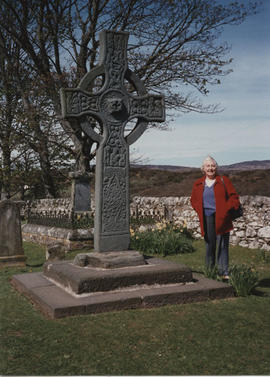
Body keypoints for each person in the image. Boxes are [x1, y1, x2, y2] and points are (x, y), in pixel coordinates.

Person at [190, 156, 240, 279]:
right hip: (207, 217)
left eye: (213, 166)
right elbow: (193, 200)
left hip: (222, 217)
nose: (210, 168)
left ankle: (224, 273)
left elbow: (234, 198)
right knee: (209, 245)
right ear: (203, 169)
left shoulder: (224, 180)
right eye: (208, 166)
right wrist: (199, 210)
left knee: (222, 245)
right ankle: (210, 272)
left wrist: (226, 209)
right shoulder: (198, 183)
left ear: (216, 168)